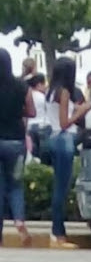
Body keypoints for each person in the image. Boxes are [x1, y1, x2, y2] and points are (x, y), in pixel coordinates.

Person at [46, 57, 91, 249]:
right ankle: (58, 233)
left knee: (59, 187)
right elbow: (65, 122)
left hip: (53, 138)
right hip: (63, 139)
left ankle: (57, 232)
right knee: (61, 189)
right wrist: (82, 110)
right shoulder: (64, 92)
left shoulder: (51, 92)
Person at [0, 48, 36, 247]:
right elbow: (31, 111)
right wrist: (16, 110)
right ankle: (20, 222)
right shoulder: (21, 86)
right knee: (15, 185)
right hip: (15, 141)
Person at [26, 73, 51, 162]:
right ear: (39, 84)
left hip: (29, 127)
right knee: (44, 154)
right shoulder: (43, 97)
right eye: (44, 85)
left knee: (34, 155)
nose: (45, 87)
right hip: (43, 126)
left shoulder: (28, 96)